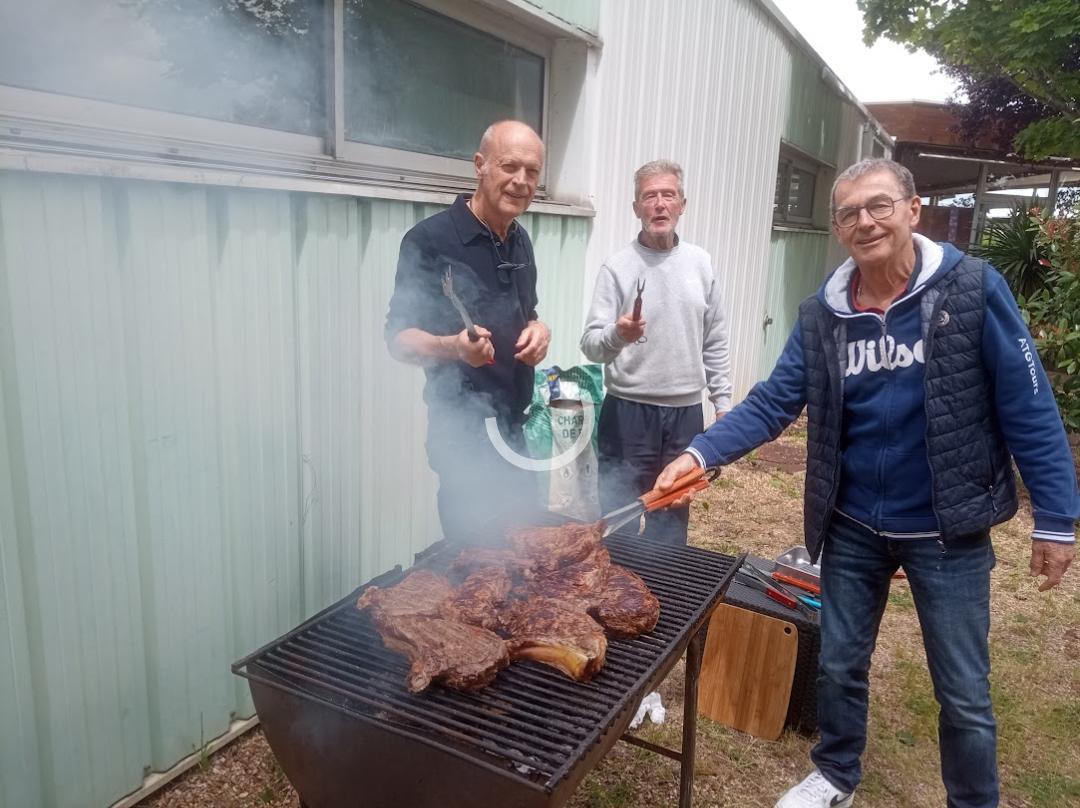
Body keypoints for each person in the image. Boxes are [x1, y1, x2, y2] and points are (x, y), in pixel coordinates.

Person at [656, 157, 1077, 808]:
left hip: (946, 528)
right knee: (838, 662)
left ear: (913, 210)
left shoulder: (971, 290)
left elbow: (1028, 403)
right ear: (838, 229)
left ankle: (974, 800)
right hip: (851, 523)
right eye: (849, 212)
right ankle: (836, 773)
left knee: (963, 689)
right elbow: (775, 402)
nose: (865, 221)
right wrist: (703, 452)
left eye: (879, 205)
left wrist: (1055, 518)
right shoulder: (823, 314)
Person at [384, 120, 551, 540]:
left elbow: (527, 312)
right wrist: (453, 347)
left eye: (532, 172)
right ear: (480, 165)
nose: (521, 181)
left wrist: (539, 329)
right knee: (476, 568)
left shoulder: (519, 240)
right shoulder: (430, 241)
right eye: (509, 166)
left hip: (516, 428)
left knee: (527, 555)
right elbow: (398, 340)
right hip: (464, 435)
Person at [580, 160, 731, 544]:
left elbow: (715, 338)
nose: (659, 204)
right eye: (650, 196)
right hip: (627, 414)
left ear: (683, 204)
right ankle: (613, 601)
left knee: (671, 524)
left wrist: (724, 404)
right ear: (637, 208)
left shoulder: (701, 264)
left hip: (684, 416)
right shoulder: (617, 267)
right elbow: (591, 345)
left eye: (668, 195)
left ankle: (665, 601)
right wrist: (618, 333)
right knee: (618, 521)